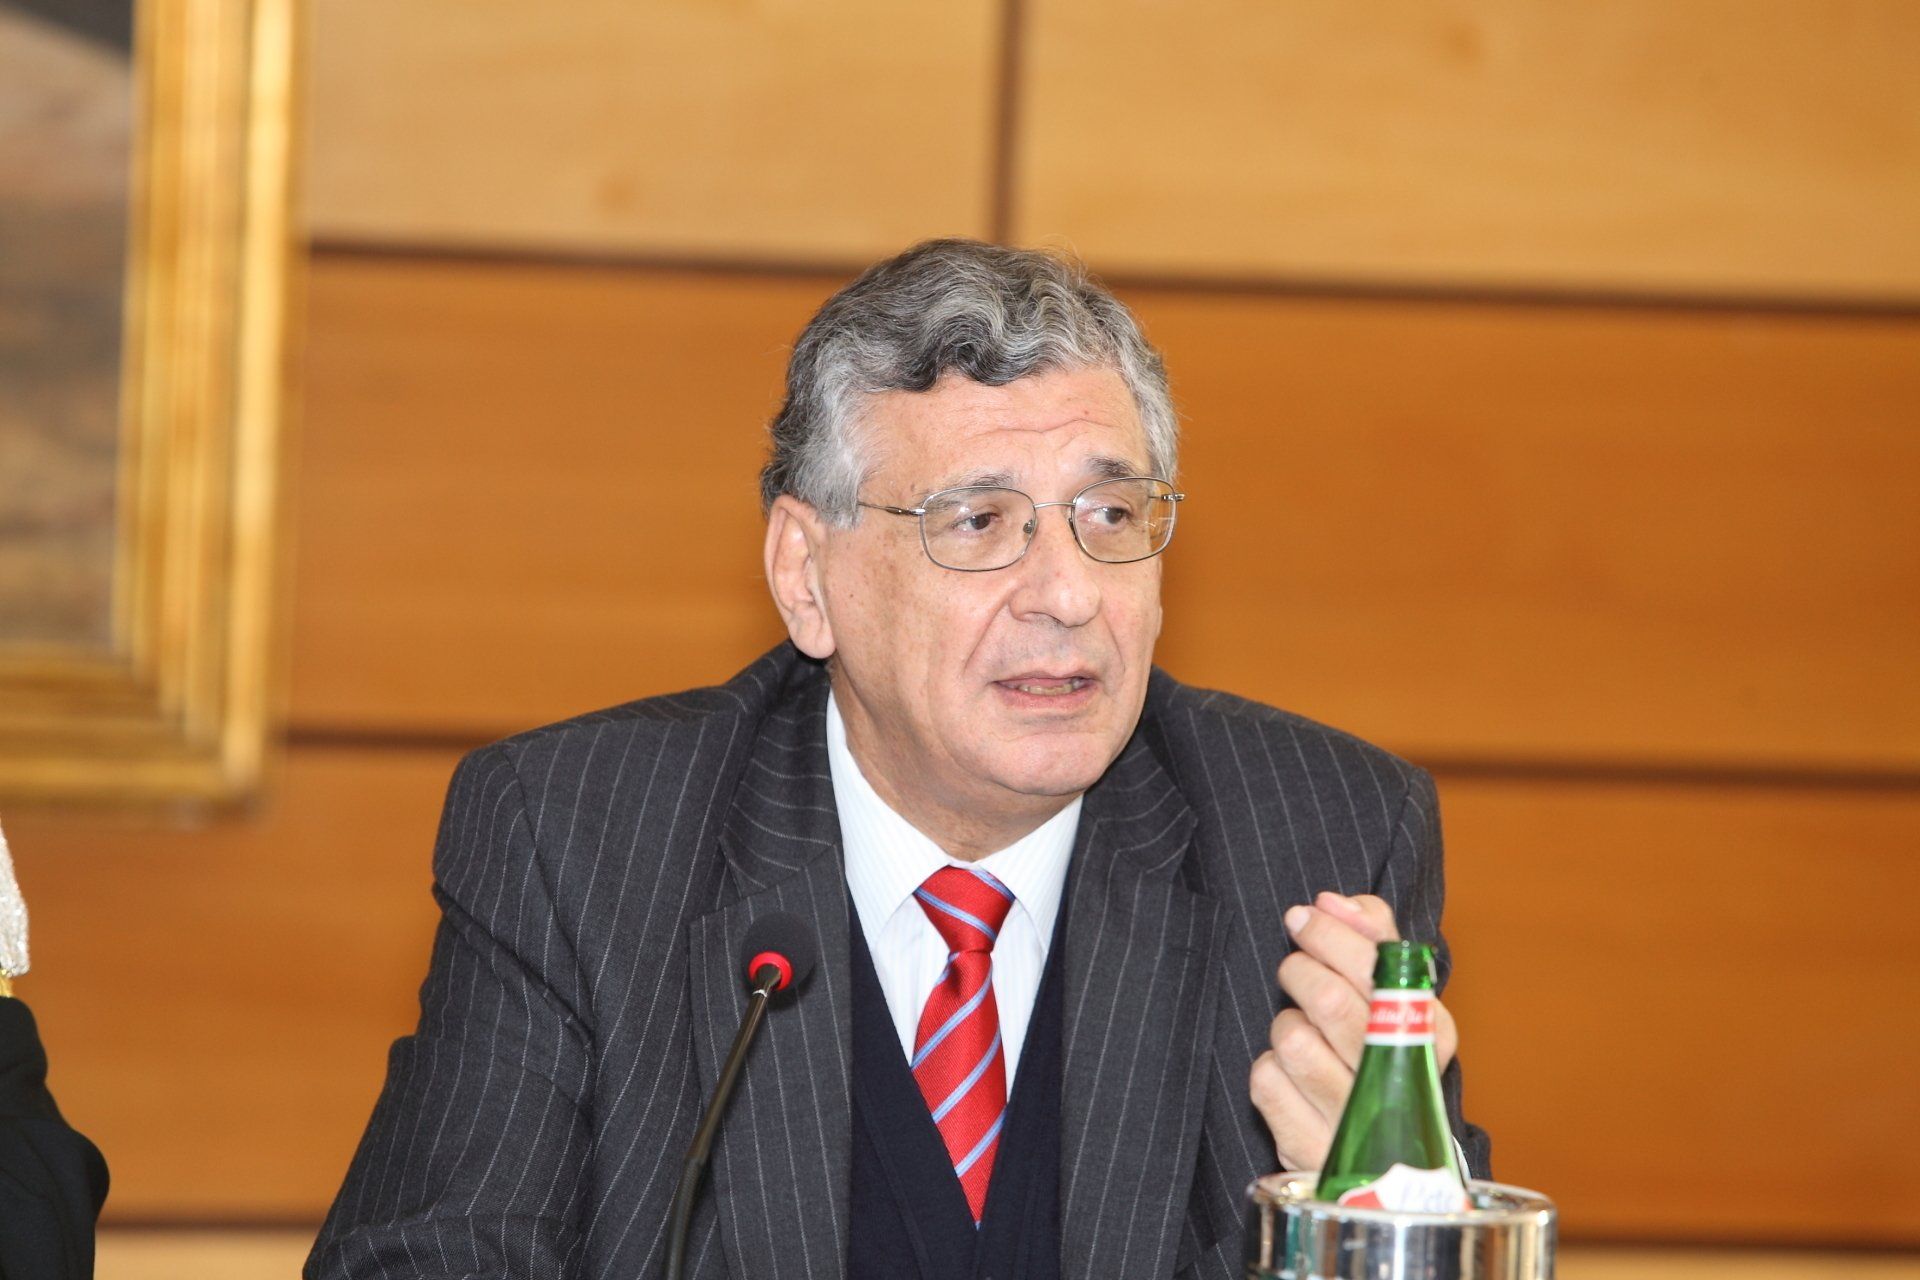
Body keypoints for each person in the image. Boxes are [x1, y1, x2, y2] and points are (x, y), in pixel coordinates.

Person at [308, 239, 1489, 1280]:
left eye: (1111, 516)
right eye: (979, 522)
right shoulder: (582, 839)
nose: (1070, 594)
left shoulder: (1316, 843)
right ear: (806, 577)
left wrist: (1369, 1241)